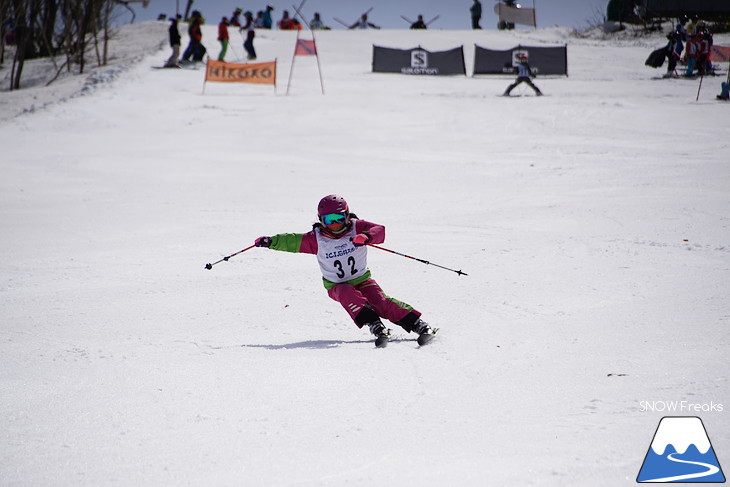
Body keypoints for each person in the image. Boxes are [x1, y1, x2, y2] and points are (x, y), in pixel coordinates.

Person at [253, 195, 437, 348]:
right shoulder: (316, 239)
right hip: (336, 285)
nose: (334, 225)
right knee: (346, 292)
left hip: (362, 279)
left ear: (347, 215)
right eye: (329, 221)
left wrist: (366, 236)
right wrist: (271, 241)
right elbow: (291, 241)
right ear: (320, 220)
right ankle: (375, 325)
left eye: (338, 219)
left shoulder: (357, 227)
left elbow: (379, 230)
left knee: (380, 301)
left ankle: (418, 324)